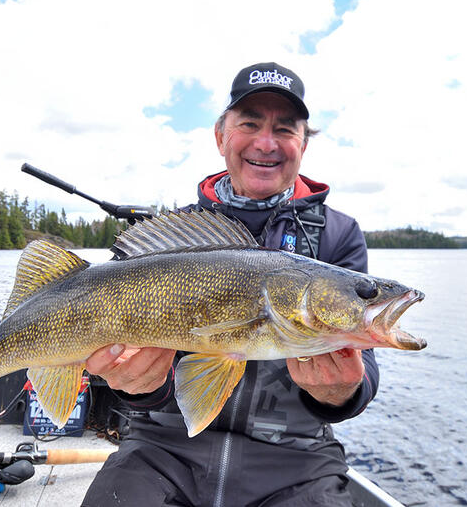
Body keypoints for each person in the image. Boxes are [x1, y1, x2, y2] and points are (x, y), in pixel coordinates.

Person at [82, 62, 374, 507]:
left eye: (285, 128)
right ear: (221, 136)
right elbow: (127, 365)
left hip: (296, 461)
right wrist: (133, 383)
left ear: (303, 144)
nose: (265, 142)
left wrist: (340, 392)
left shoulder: (337, 236)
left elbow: (363, 370)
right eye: (249, 124)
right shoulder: (173, 239)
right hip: (164, 448)